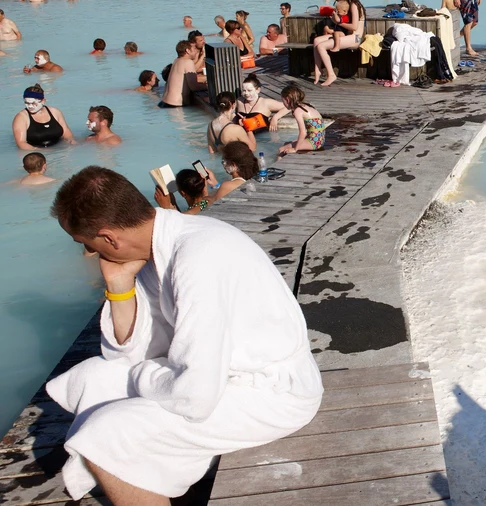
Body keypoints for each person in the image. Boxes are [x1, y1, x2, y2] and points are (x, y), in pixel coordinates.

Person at [46, 166, 322, 504]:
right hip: (220, 381)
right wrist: (119, 287)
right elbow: (129, 354)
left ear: (109, 238)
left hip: (272, 393)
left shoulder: (199, 255)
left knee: (107, 434)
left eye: (86, 245)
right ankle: (145, 478)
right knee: (93, 377)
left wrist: (145, 374)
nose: (91, 254)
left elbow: (194, 393)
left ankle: (136, 472)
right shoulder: (158, 248)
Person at [13, 85, 75, 149]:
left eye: (34, 103)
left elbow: (65, 131)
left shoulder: (55, 112)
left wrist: (71, 141)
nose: (30, 106)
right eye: (27, 103)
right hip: (36, 153)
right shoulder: (21, 118)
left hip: (58, 148)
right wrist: (40, 151)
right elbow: (21, 143)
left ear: (43, 101)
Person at [276, 84, 325, 155]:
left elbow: (303, 132)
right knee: (287, 143)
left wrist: (295, 149)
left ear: (287, 99)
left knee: (281, 150)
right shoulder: (306, 106)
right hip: (320, 140)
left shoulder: (298, 111)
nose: (283, 103)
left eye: (282, 100)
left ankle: (277, 165)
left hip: (314, 142)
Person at [160, 41, 206, 108]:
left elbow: (192, 72)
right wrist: (208, 86)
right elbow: (194, 87)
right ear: (187, 51)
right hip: (175, 106)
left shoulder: (177, 61)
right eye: (194, 49)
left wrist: (202, 56)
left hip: (164, 103)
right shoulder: (188, 62)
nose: (196, 52)